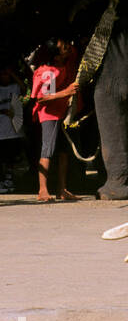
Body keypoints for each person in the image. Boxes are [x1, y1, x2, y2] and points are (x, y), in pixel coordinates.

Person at [29, 39, 80, 202]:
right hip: (49, 115)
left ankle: (62, 189)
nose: (67, 48)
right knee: (47, 151)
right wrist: (66, 92)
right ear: (56, 57)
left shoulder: (60, 66)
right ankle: (42, 190)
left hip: (60, 114)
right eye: (64, 48)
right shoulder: (49, 72)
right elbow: (42, 98)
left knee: (63, 152)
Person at [0, 63, 24, 193]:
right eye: (3, 74)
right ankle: (2, 181)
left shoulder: (14, 87)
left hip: (13, 130)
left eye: (7, 74)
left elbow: (24, 88)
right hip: (1, 130)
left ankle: (9, 180)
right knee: (2, 157)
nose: (5, 77)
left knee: (11, 157)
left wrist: (13, 74)